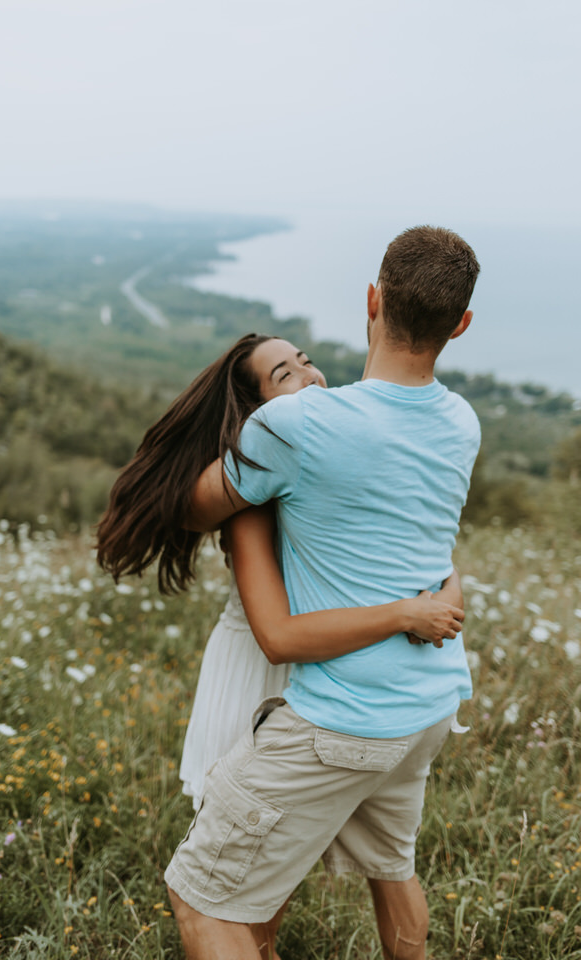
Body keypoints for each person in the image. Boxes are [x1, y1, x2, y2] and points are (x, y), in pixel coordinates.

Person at [164, 225, 482, 960]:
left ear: (371, 300)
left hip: (346, 718)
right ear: (460, 326)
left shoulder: (297, 427)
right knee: (390, 862)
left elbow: (192, 506)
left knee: (201, 899)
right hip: (429, 703)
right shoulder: (460, 422)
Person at [96, 332, 466, 958]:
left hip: (328, 675)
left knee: (324, 875)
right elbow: (278, 636)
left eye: (305, 361)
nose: (309, 376)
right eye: (283, 376)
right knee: (242, 900)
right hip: (264, 678)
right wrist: (410, 609)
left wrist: (442, 581)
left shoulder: (320, 457)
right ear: (256, 412)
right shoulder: (253, 497)